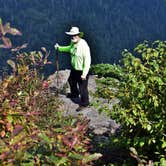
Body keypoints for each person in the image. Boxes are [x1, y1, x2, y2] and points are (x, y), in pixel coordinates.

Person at [54, 26, 91, 111]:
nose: (73, 37)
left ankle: (85, 103)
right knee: (71, 81)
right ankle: (74, 94)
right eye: (71, 35)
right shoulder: (73, 43)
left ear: (78, 35)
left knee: (83, 88)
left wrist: (84, 74)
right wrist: (59, 48)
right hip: (75, 69)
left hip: (82, 71)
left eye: (74, 35)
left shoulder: (83, 45)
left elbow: (87, 60)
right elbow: (69, 49)